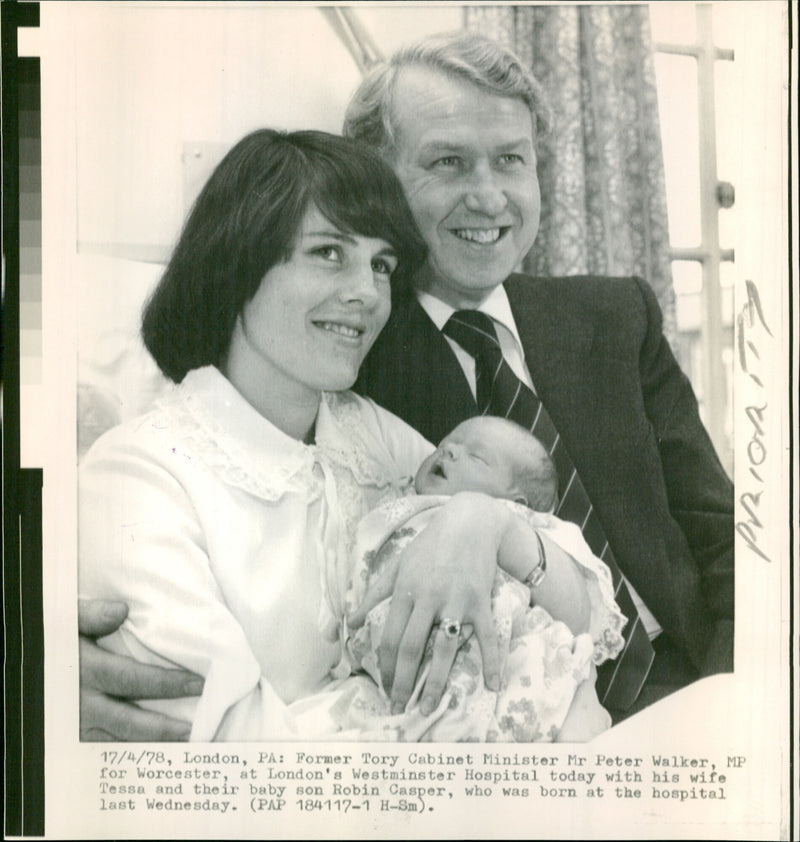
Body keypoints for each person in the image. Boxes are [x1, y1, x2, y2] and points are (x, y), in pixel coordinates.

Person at [80, 31, 734, 738]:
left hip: (691, 690)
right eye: (448, 161)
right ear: (378, 179)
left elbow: (727, 541)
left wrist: (752, 703)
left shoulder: (612, 316)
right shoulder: (335, 362)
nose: (489, 197)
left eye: (511, 160)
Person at [78, 128, 594, 741]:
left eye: (382, 265)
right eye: (329, 253)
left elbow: (586, 614)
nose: (368, 293)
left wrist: (487, 521)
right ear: (238, 260)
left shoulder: (366, 434)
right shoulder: (137, 477)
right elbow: (240, 753)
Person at [346, 416, 625, 742]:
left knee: (549, 672)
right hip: (405, 656)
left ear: (515, 501)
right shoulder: (398, 501)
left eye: (476, 456)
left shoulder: (529, 523)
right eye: (444, 444)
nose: (448, 450)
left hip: (501, 651)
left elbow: (583, 607)